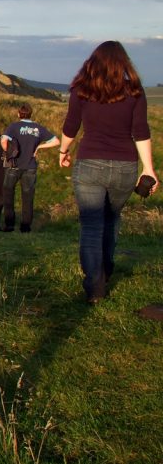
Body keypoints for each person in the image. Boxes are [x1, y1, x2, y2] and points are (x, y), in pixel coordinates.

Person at [59, 41, 158, 303]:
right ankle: (107, 269)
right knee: (111, 220)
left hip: (89, 164)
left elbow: (71, 127)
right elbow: (141, 131)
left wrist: (63, 151)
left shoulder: (82, 90)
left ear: (93, 62)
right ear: (123, 63)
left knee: (91, 226)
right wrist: (149, 168)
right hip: (125, 167)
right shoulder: (134, 92)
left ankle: (95, 286)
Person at [1, 104, 60, 232]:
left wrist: (8, 154)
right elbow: (56, 141)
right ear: (31, 114)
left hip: (14, 165)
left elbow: (4, 141)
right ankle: (25, 226)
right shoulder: (38, 128)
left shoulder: (14, 126)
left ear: (19, 113)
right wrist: (39, 147)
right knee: (28, 196)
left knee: (8, 193)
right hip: (30, 166)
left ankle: (9, 224)